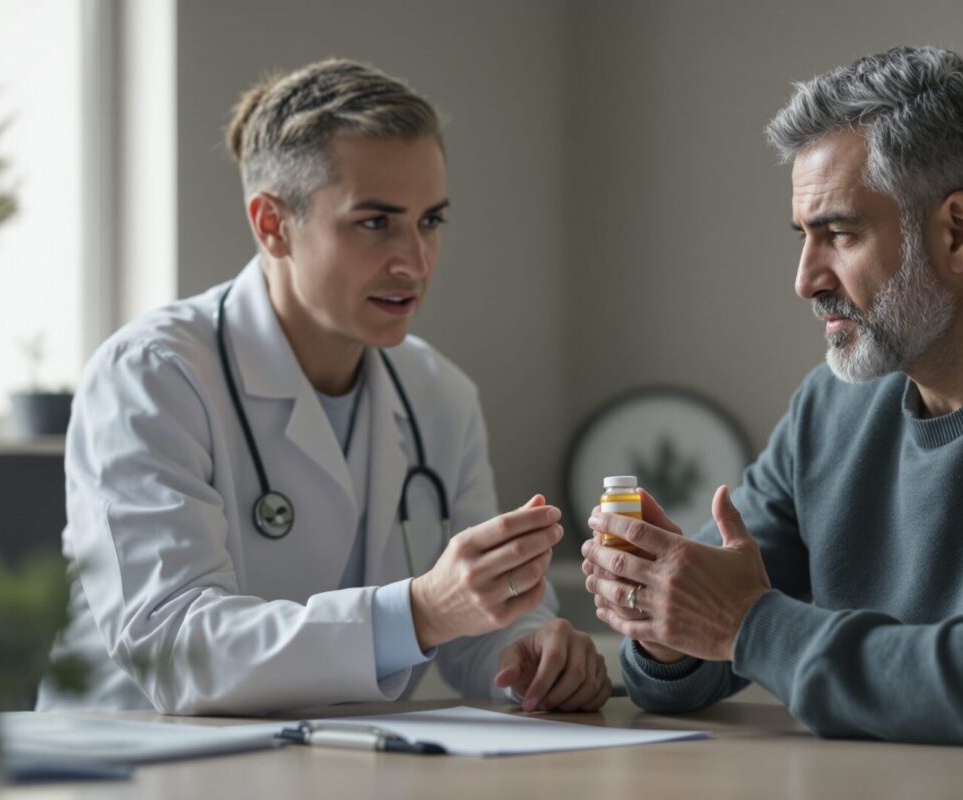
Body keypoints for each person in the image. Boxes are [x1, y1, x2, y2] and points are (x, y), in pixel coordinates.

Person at [580, 46, 963, 749]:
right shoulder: (832, 408)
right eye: (804, 238)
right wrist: (665, 610)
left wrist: (745, 624)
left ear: (959, 231)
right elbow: (703, 657)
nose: (806, 279)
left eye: (838, 233)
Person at [38, 58, 610, 715]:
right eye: (375, 223)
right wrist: (420, 611)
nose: (414, 261)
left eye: (430, 221)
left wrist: (531, 651)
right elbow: (175, 651)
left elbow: (476, 630)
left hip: (336, 766)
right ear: (272, 225)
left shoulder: (438, 394)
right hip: (137, 764)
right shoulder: (151, 376)